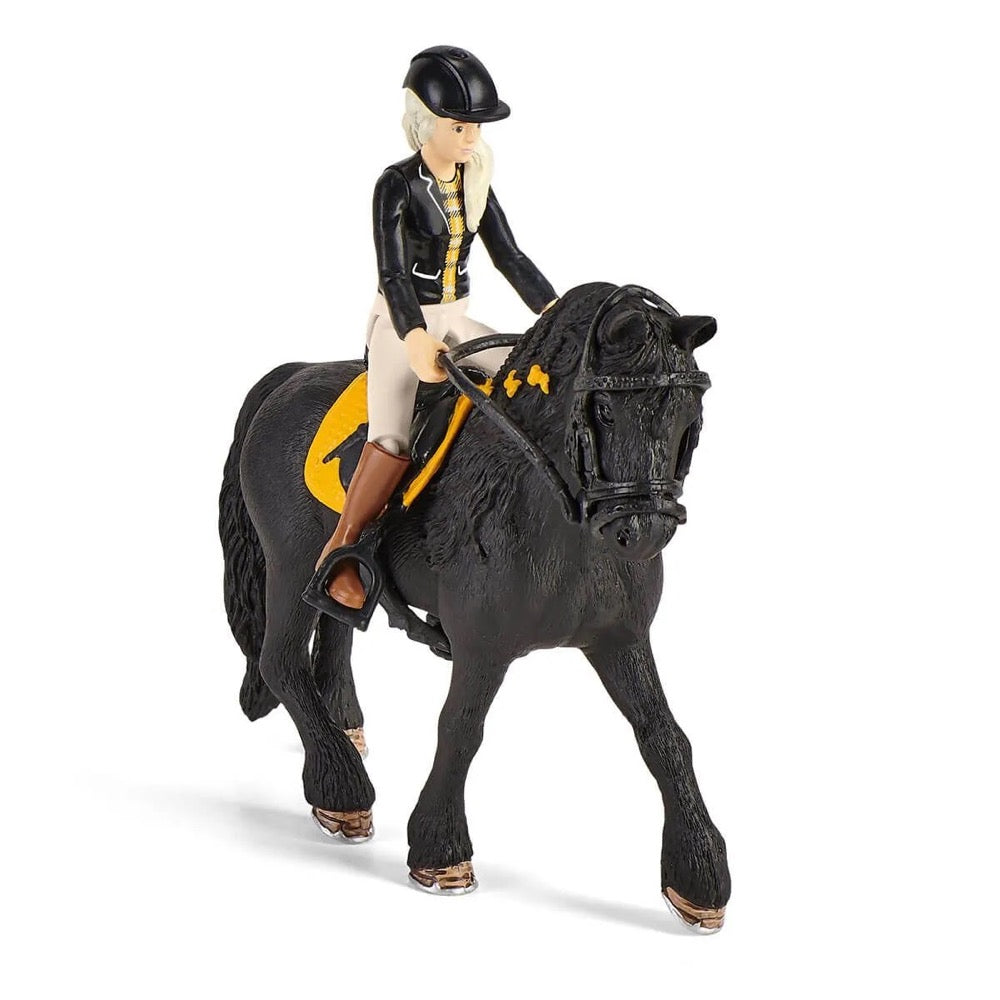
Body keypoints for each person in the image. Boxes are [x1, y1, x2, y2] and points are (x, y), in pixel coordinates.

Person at [315, 45, 558, 610]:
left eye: (476, 127)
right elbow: (392, 273)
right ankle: (342, 550)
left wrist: (552, 310)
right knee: (390, 436)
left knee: (527, 379)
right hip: (403, 324)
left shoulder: (475, 181)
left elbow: (510, 256)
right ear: (426, 123)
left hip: (456, 318)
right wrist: (412, 336)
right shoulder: (396, 185)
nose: (471, 137)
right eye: (459, 126)